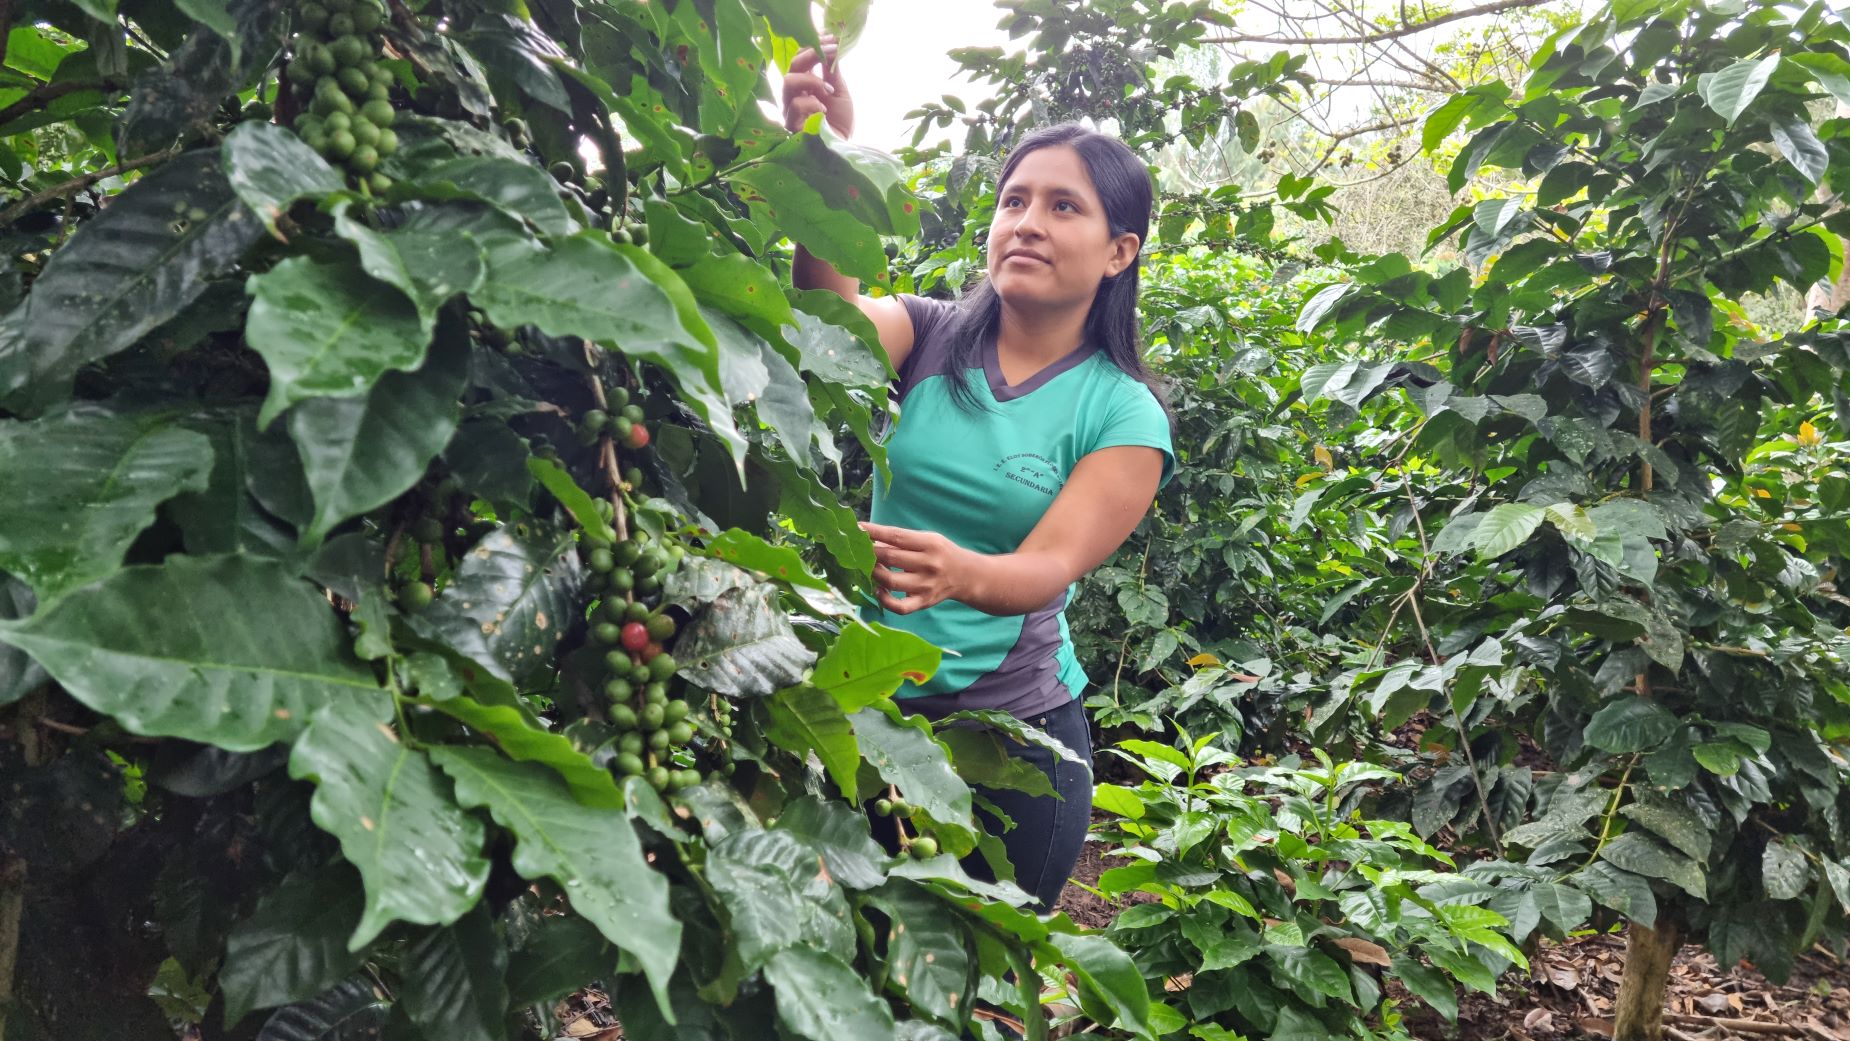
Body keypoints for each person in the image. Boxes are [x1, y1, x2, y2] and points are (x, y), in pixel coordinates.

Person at [782, 43, 1175, 912]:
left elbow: (1048, 566)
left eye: (1062, 206)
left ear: (1119, 252)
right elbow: (824, 322)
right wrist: (826, 160)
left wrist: (961, 573)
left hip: (1014, 747)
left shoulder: (1124, 416)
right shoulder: (928, 334)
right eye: (1014, 200)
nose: (1027, 221)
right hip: (871, 720)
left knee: (977, 1001)